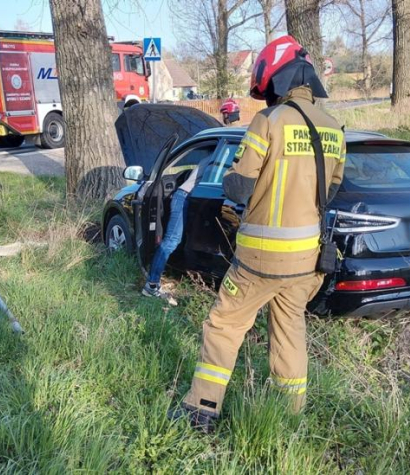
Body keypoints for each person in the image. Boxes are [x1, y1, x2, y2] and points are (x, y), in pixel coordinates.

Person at [170, 35, 347, 433]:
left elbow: (238, 188)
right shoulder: (335, 129)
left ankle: (201, 410)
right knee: (289, 334)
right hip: (307, 260)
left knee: (224, 326)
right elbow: (331, 190)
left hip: (259, 260)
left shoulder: (269, 121)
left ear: (277, 80)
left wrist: (234, 173)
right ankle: (288, 419)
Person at [142, 155, 213, 305]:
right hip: (183, 197)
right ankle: (151, 285)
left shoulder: (214, 154)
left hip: (187, 197)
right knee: (171, 241)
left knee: (175, 240)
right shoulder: (218, 155)